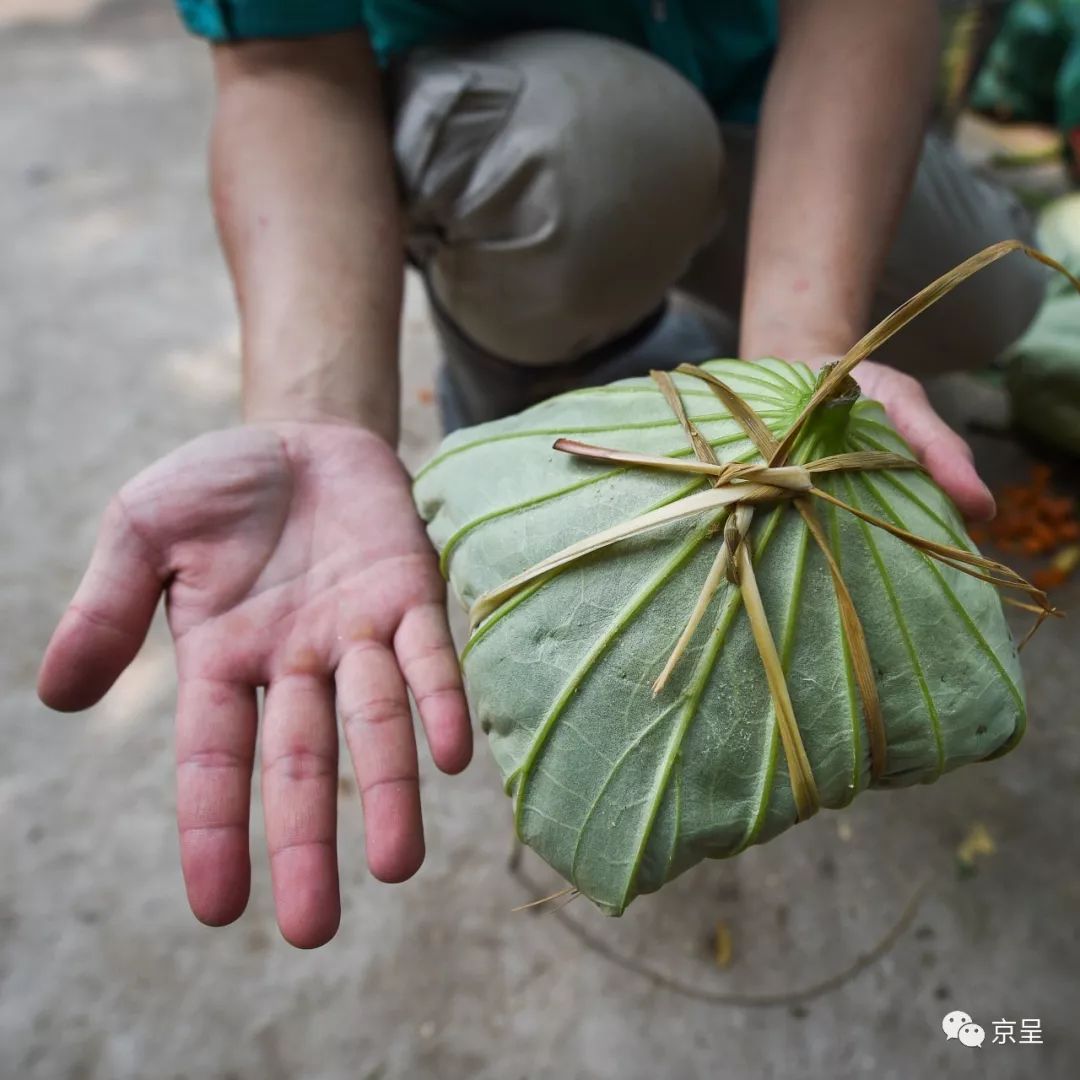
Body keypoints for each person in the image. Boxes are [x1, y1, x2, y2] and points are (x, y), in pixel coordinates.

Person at [38, 0, 1047, 948]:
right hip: (530, 126)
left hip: (762, 73)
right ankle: (535, 369)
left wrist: (798, 366)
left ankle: (684, 348)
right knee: (595, 153)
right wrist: (313, 418)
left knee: (1000, 294)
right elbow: (284, 60)